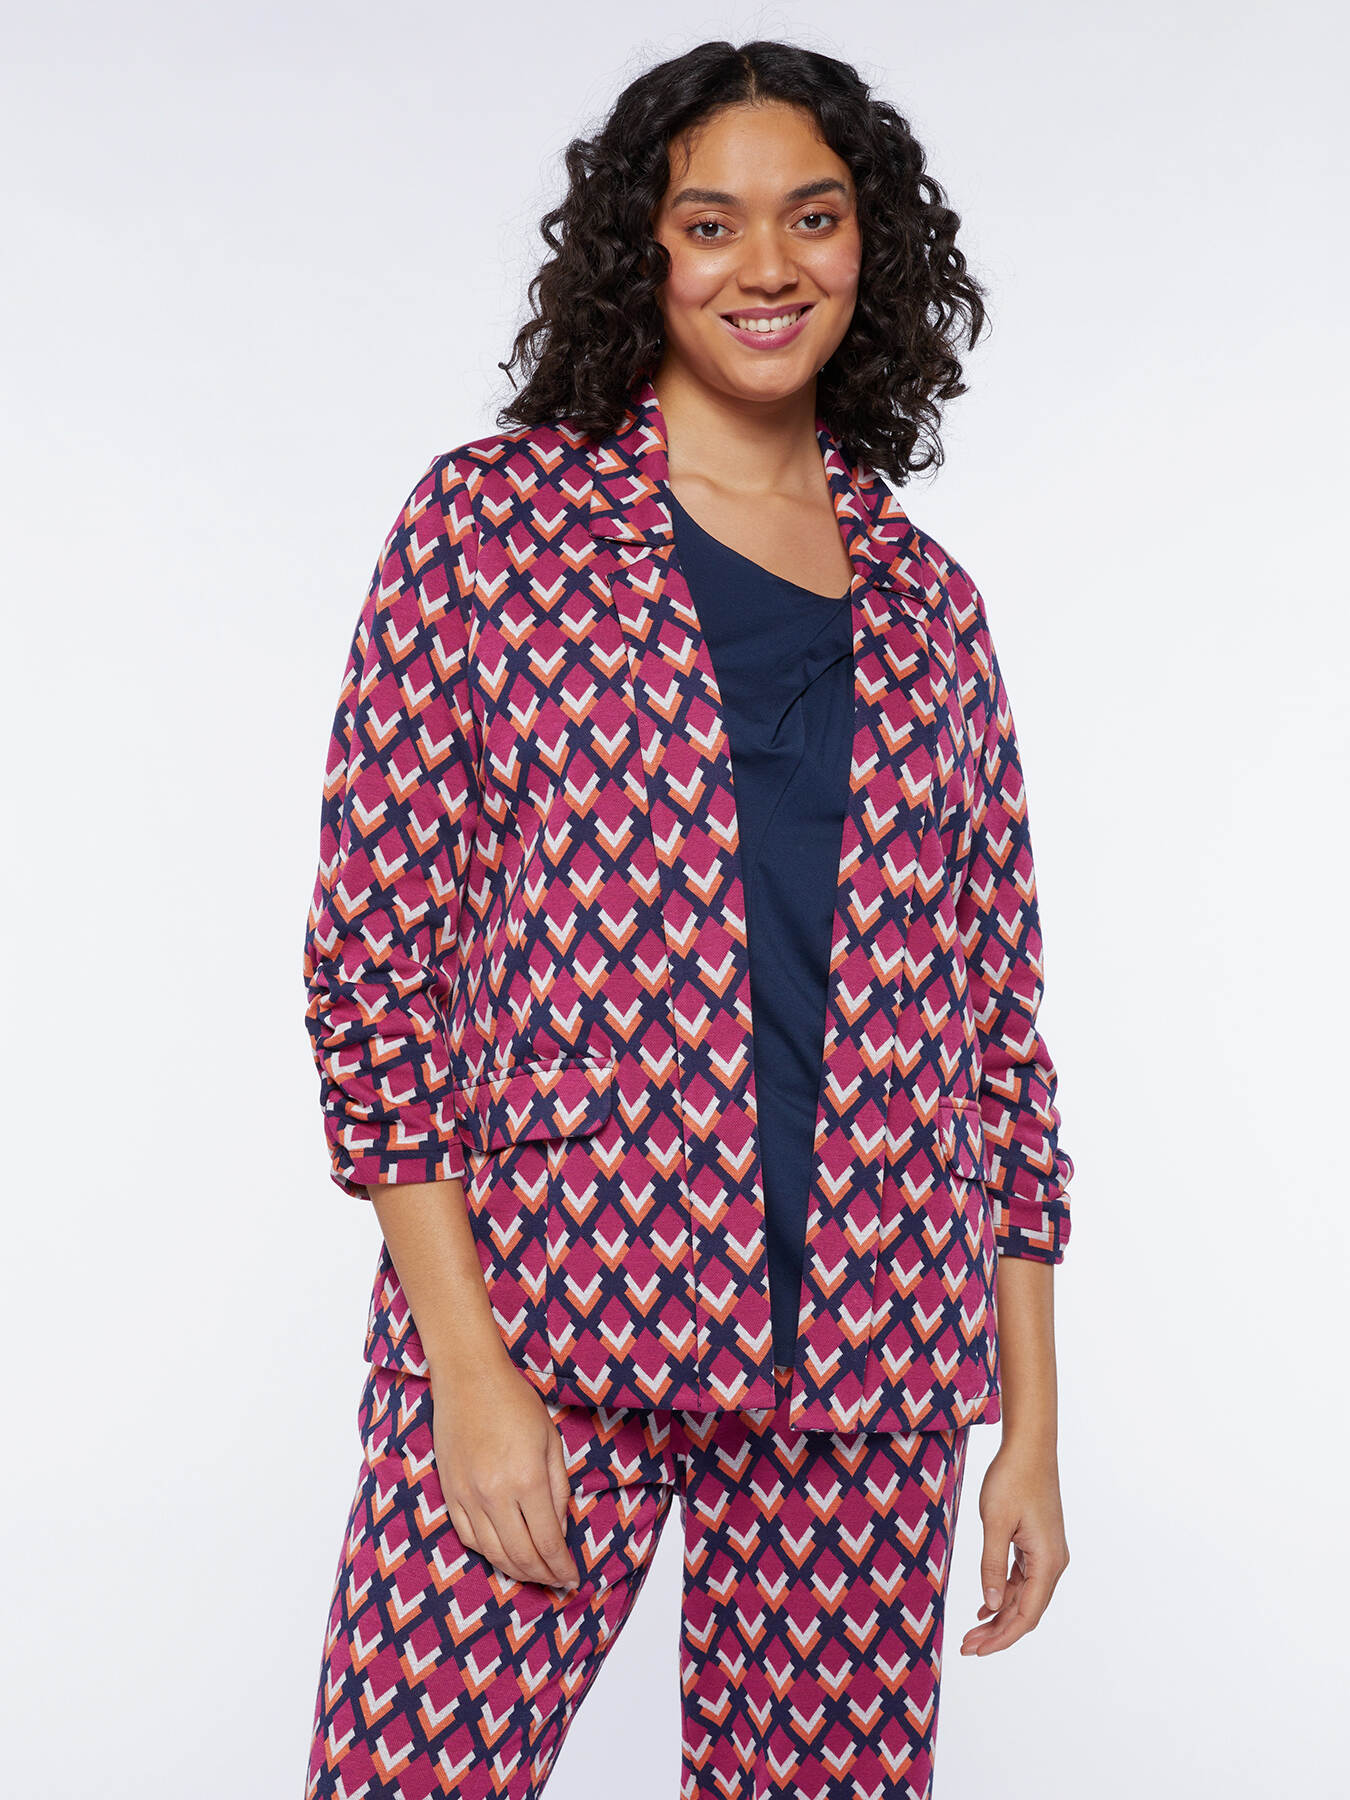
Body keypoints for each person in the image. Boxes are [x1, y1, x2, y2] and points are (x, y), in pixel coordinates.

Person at [300, 37, 1074, 1800]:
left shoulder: (930, 605)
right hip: (550, 1320)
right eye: (709, 223)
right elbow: (373, 977)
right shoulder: (491, 529)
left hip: (870, 1361)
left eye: (813, 216)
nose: (765, 265)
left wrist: (1025, 1426)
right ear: (639, 253)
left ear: (871, 248)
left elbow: (996, 1038)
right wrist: (465, 1373)